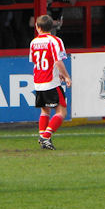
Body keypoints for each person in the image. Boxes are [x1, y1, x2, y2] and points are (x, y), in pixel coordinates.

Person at [30, 15, 72, 150]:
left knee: (45, 110)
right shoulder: (55, 41)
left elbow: (37, 61)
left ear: (37, 27)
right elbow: (57, 61)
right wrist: (66, 76)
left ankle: (44, 139)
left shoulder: (33, 42)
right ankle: (46, 136)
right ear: (51, 26)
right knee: (61, 112)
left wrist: (57, 72)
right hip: (51, 82)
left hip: (38, 81)